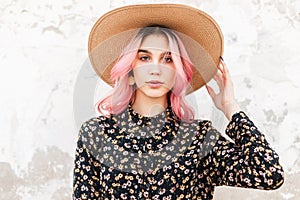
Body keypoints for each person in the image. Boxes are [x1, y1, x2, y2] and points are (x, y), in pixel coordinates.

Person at [73, 4, 284, 200]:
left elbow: (269, 173)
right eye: (144, 58)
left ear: (178, 73)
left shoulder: (199, 138)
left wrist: (230, 106)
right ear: (129, 72)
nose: (156, 69)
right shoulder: (96, 134)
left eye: (168, 59)